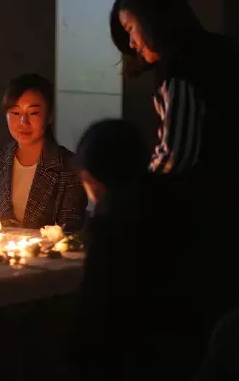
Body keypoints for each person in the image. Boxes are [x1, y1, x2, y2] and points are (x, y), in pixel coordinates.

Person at [110, 0, 239, 355]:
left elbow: (176, 155)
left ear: (153, 18)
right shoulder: (218, 51)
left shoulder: (181, 72)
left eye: (131, 29)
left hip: (203, 225)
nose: (131, 42)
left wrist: (131, 196)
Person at [70, 119, 203, 380]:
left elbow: (96, 310)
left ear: (94, 177)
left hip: (132, 356)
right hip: (188, 349)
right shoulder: (176, 201)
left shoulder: (112, 223)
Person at [0, 73, 87, 232]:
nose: (23, 122)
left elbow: (70, 232)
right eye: (15, 113)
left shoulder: (69, 168)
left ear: (49, 116)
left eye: (33, 113)